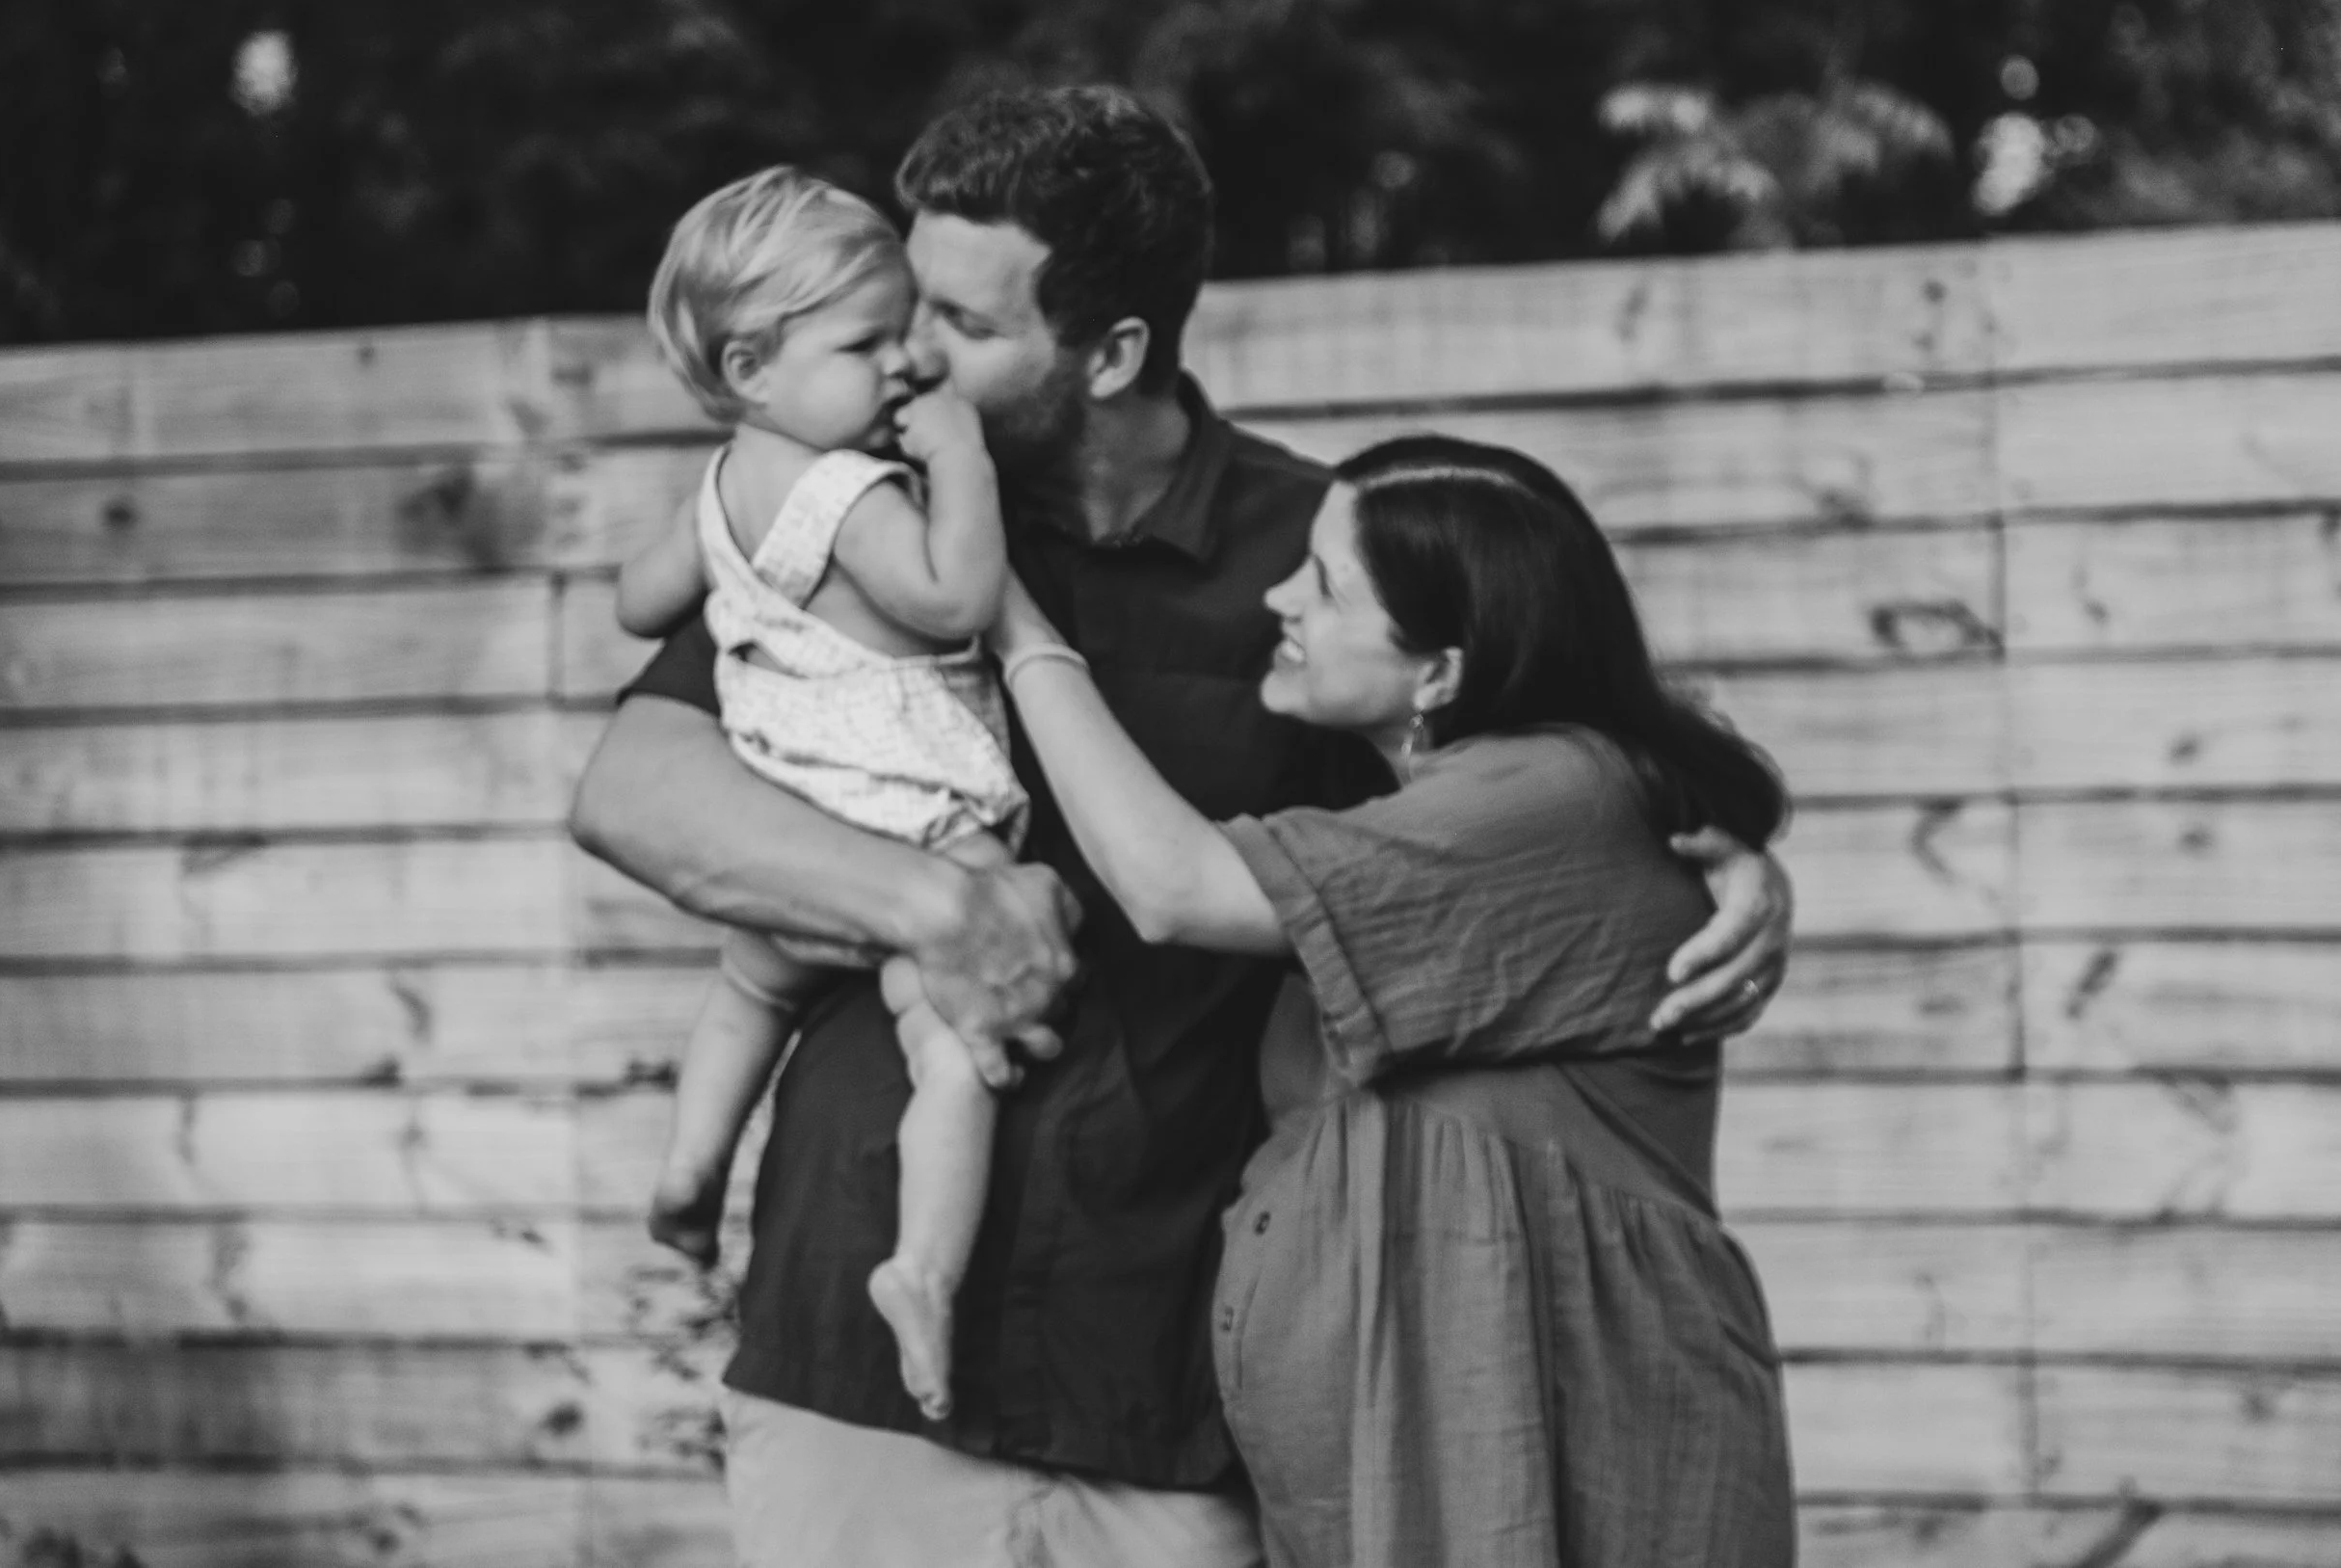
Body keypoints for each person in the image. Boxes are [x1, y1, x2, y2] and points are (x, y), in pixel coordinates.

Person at [570, 86, 1795, 1568]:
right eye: (900, 305)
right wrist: (926, 905)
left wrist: (1720, 865)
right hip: (860, 1354)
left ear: (1115, 350)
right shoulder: (858, 510)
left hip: (1177, 1378)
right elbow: (632, 789)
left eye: (958, 322)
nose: (906, 351)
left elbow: (1531, 779)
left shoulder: (1323, 564)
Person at [988, 435, 1798, 1566]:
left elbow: (1173, 886)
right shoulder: (1454, 797)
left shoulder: (1549, 793)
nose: (1278, 595)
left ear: (1440, 673)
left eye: (1320, 582)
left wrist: (1017, 629)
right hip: (1407, 1474)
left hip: (1559, 1462)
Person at [611, 164, 1026, 1422]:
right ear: (751, 369)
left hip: (788, 829)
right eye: (868, 342)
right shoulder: (847, 491)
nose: (905, 364)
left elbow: (635, 603)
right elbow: (954, 598)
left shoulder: (722, 484)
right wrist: (960, 458)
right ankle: (925, 1269)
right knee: (956, 1042)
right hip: (911, 824)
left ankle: (688, 1172)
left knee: (746, 991)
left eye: (909, 332)